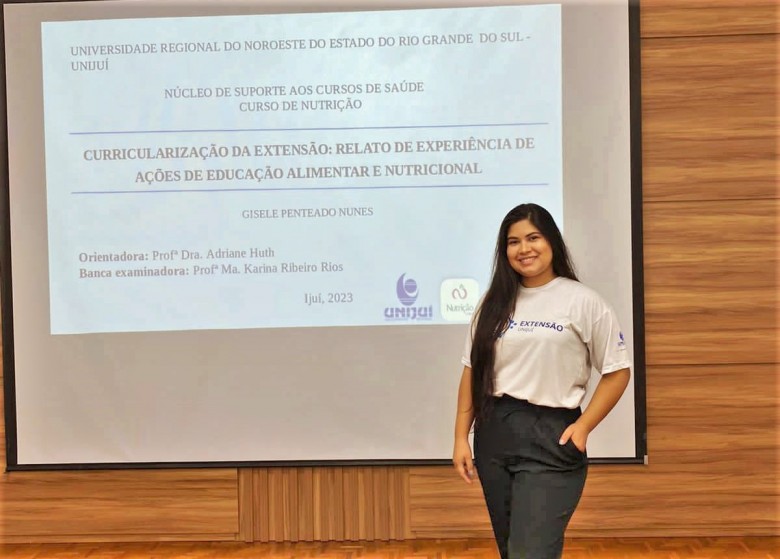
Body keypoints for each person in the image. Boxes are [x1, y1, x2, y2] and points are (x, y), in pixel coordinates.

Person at [452, 203, 631, 559]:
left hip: (551, 437)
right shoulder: (492, 304)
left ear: (551, 241)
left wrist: (583, 427)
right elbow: (472, 371)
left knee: (531, 552)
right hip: (495, 436)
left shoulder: (583, 301)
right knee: (511, 551)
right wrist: (460, 437)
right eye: (513, 242)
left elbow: (617, 371)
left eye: (533, 238)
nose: (524, 249)